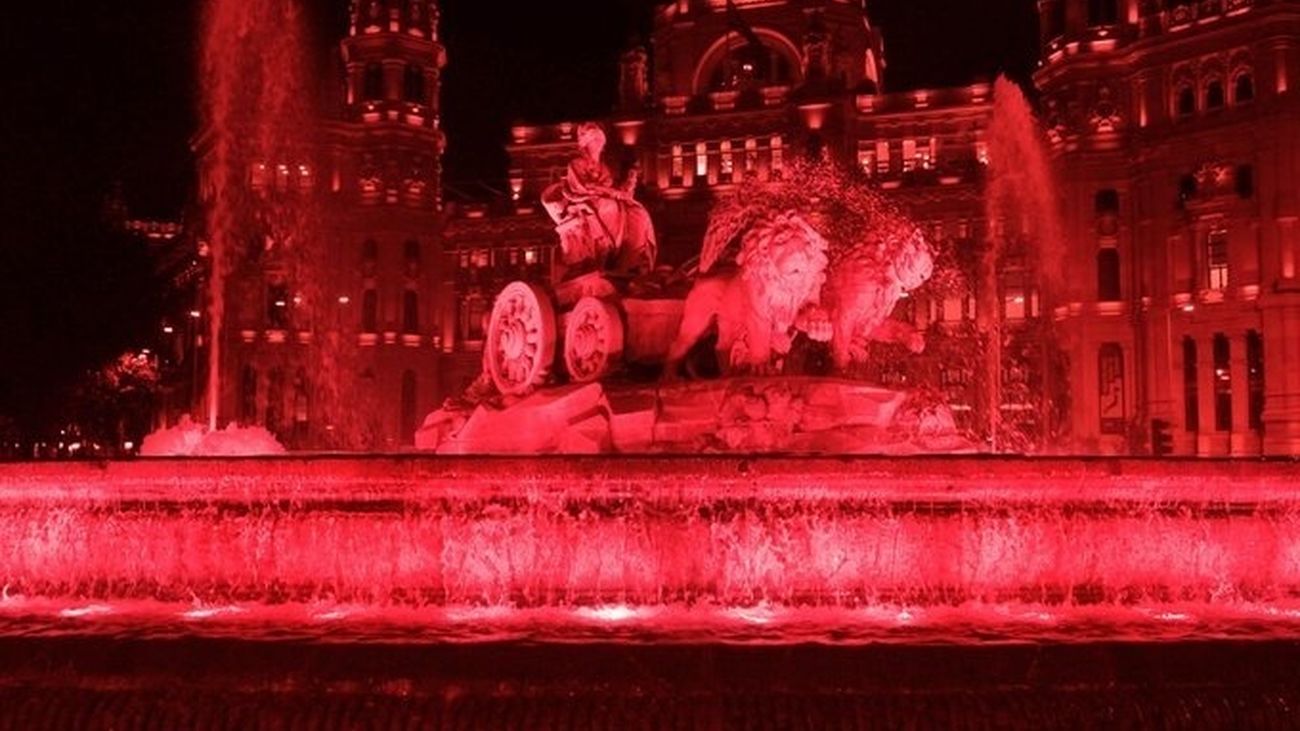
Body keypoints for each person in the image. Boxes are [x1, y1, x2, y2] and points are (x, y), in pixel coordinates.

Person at [542, 122, 657, 277]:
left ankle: (631, 259)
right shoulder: (576, 164)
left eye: (599, 141)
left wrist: (629, 183)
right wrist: (612, 193)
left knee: (638, 212)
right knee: (608, 206)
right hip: (583, 200)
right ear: (586, 144)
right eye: (594, 141)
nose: (597, 145)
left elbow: (612, 188)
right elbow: (584, 186)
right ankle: (606, 250)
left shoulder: (604, 167)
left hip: (604, 200)